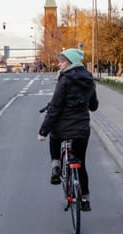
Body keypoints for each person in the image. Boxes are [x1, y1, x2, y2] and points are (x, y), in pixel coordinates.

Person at [37, 48, 99, 212]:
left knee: (54, 138)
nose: (58, 64)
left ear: (71, 62)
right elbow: (94, 106)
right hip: (81, 129)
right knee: (81, 163)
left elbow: (55, 108)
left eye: (62, 61)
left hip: (62, 128)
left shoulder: (64, 80)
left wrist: (43, 131)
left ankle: (56, 167)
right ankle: (85, 199)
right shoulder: (89, 79)